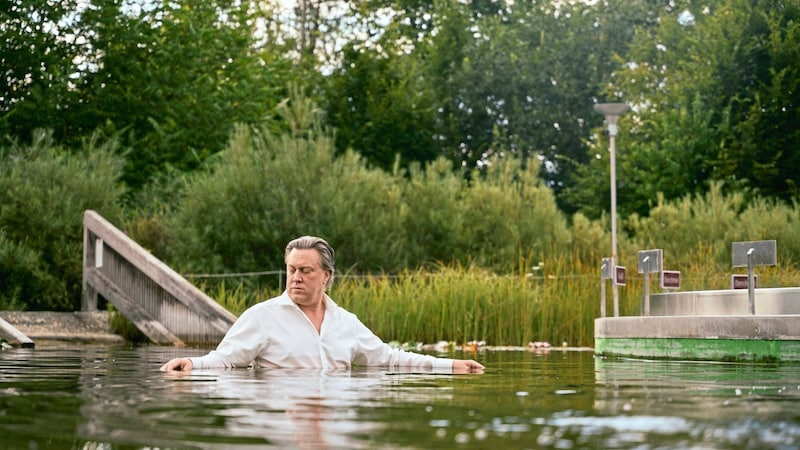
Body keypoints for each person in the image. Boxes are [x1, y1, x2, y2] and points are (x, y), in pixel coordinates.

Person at [160, 236, 485, 373]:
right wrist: (192, 363)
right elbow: (226, 360)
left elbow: (389, 360)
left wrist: (449, 366)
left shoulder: (346, 322)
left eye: (305, 270)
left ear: (326, 276)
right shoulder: (262, 317)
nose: (296, 278)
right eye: (291, 269)